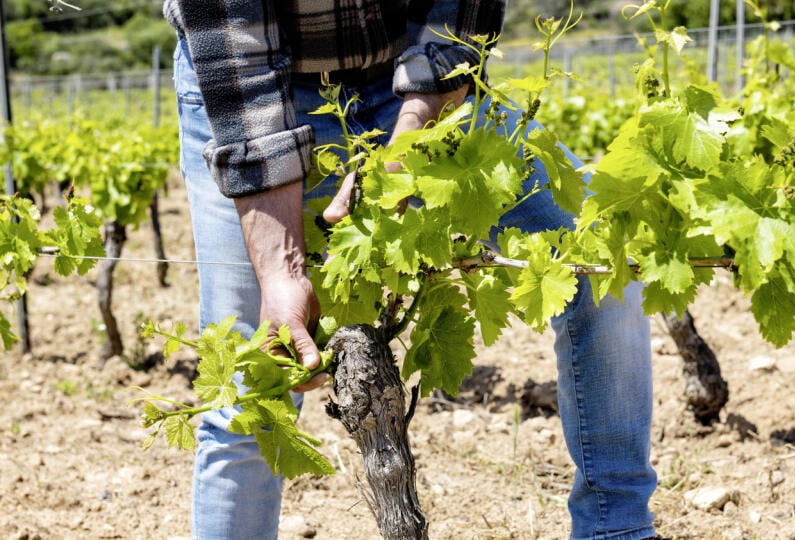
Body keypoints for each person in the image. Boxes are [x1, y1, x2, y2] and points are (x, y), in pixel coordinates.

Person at [165, 1, 658, 538]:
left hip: (421, 70)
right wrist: (281, 268)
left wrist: (409, 140)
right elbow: (234, 44)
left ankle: (618, 529)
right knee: (255, 379)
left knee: (598, 267)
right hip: (248, 97)